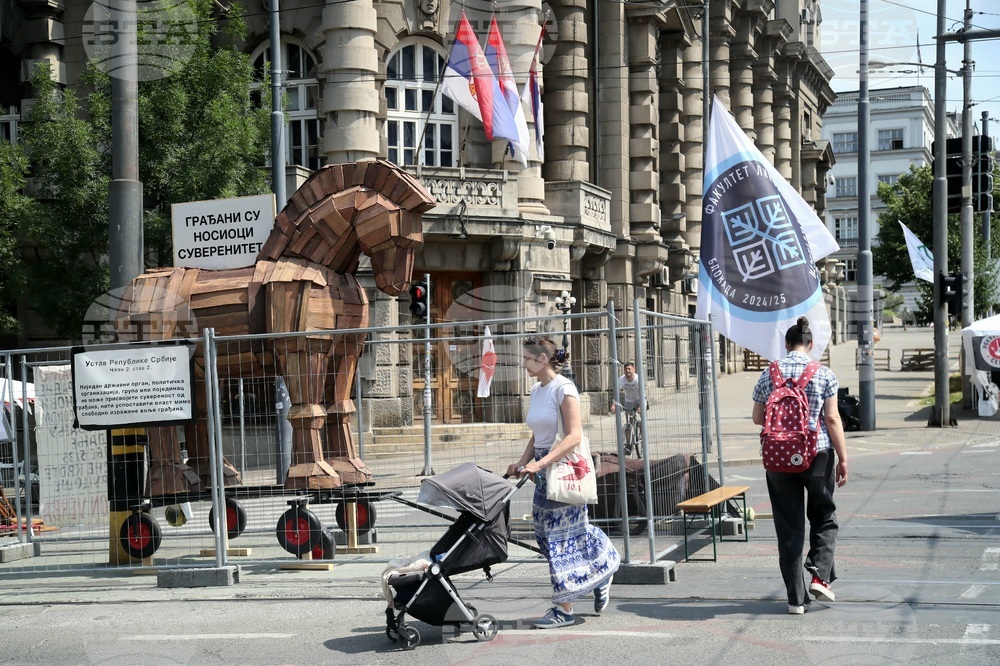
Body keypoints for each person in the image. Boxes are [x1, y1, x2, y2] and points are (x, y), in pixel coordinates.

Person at [507, 335, 621, 629]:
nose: (523, 364)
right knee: (547, 538)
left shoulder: (564, 388)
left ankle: (564, 608)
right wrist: (522, 462)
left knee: (560, 541)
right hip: (542, 472)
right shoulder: (537, 390)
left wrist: (542, 463)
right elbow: (538, 435)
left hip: (563, 469)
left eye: (528, 359)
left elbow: (574, 436)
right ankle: (602, 569)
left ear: (542, 359)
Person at [751, 317, 849, 615]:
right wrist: (843, 458)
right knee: (824, 515)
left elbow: (757, 417)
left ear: (786, 344)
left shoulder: (769, 374)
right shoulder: (824, 373)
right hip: (817, 454)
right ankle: (820, 575)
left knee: (789, 527)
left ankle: (796, 600)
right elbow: (832, 419)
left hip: (778, 458)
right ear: (810, 345)